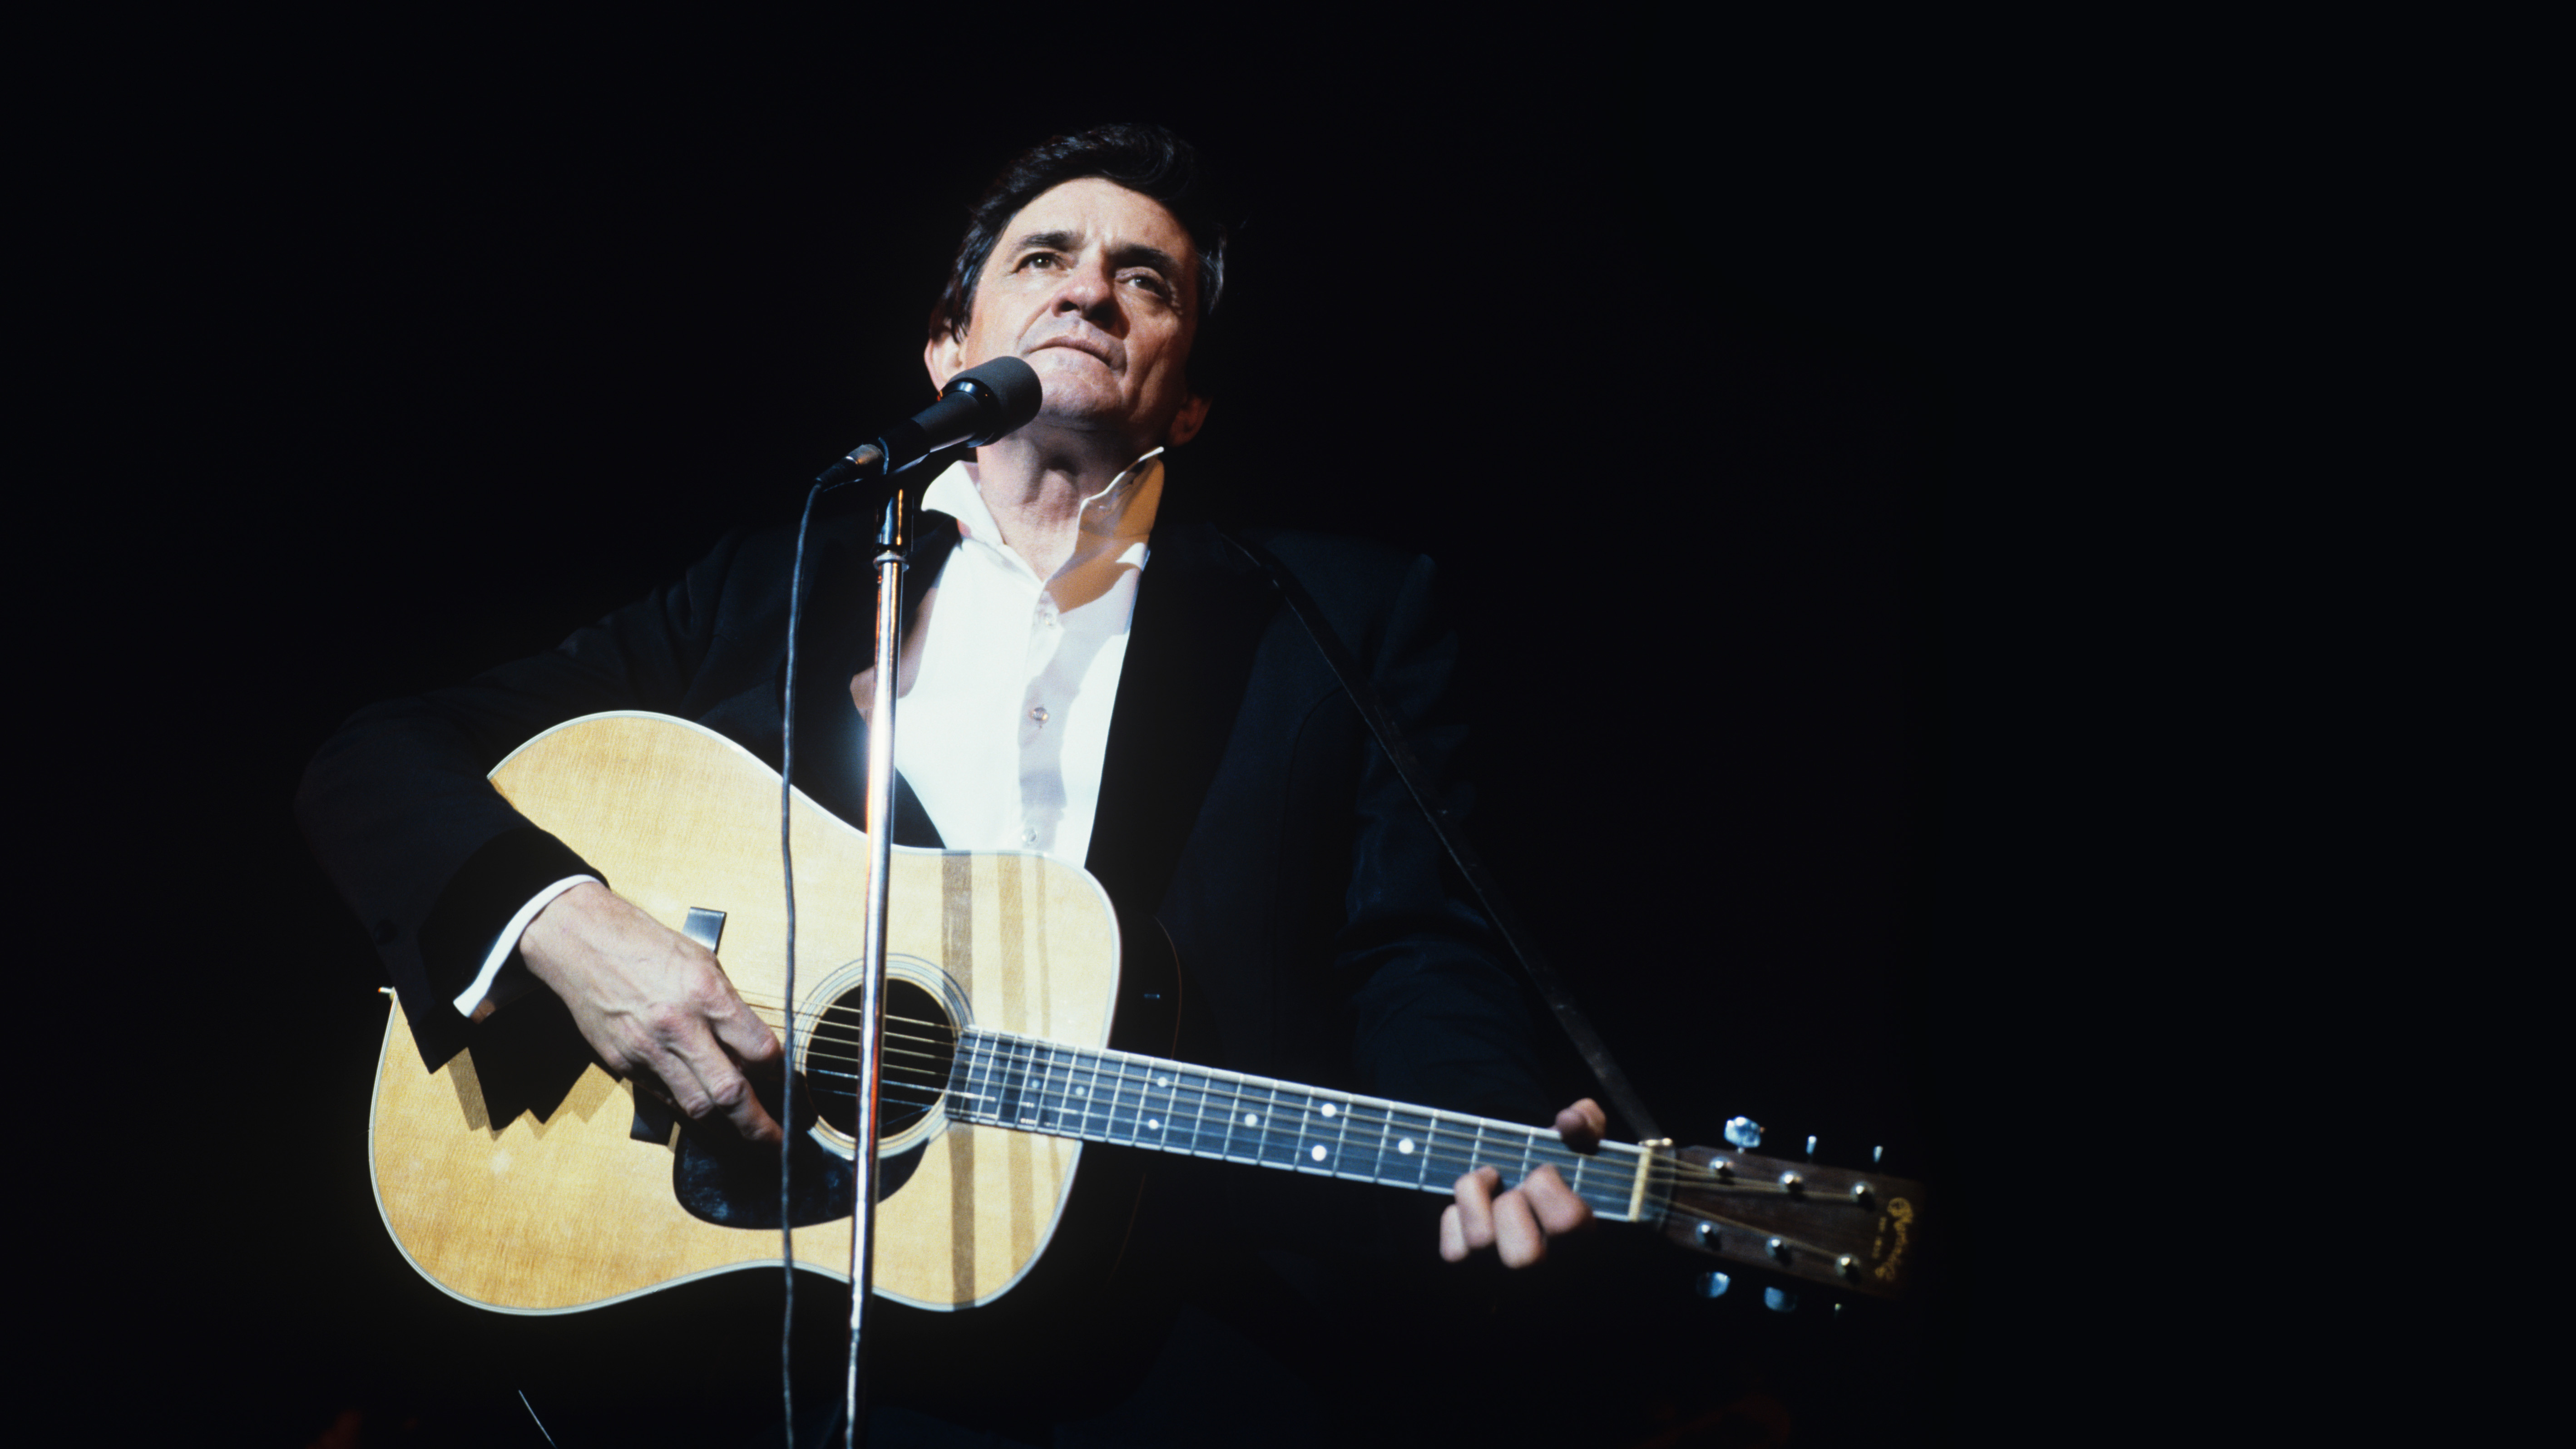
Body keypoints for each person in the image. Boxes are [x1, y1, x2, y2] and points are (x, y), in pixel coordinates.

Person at [300, 122, 1604, 1443]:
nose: (1090, 290)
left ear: (1189, 398)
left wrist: (1481, 1130)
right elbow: (376, 761)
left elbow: (1414, 939)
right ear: (947, 344)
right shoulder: (782, 585)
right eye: (1046, 257)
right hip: (782, 1335)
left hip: (1174, 1333)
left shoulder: (1335, 614)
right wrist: (567, 928)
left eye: (1147, 282)